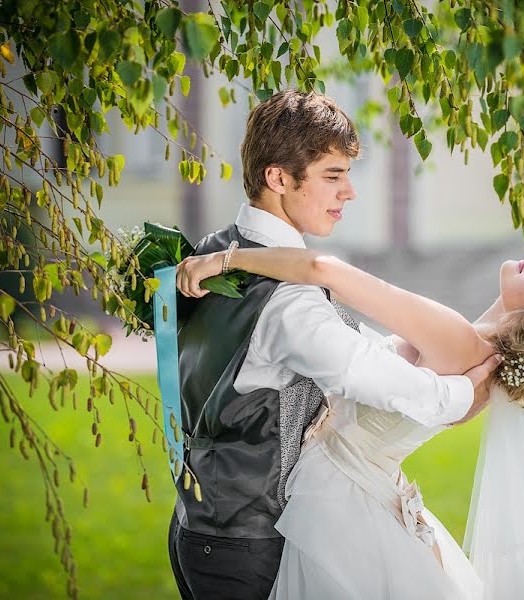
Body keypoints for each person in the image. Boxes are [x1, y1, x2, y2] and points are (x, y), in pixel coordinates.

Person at [166, 89, 500, 600]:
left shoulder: (214, 251)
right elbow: (355, 368)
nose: (349, 193)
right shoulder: (284, 300)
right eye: (332, 176)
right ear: (278, 177)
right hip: (248, 543)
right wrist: (457, 395)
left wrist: (415, 350)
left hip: (196, 527)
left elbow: (342, 343)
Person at [177, 246, 524, 599]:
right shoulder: (487, 377)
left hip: (335, 499)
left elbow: (322, 268)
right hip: (372, 498)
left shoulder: (455, 340)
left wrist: (226, 259)